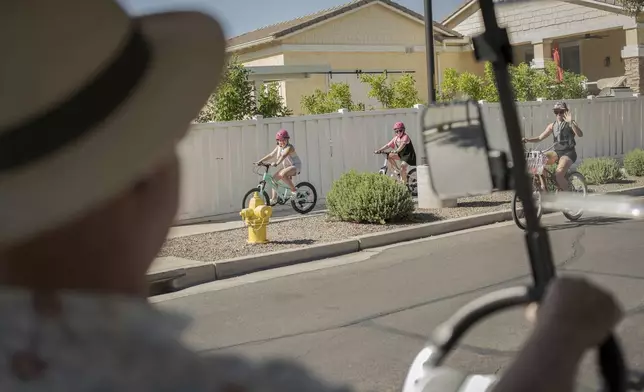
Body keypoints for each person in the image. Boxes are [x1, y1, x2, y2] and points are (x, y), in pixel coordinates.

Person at [0, 2, 623, 391]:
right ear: (143, 179)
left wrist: (390, 158)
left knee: (355, 176)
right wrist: (563, 334)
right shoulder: (179, 379)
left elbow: (393, 148)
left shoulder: (402, 137)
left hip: (382, 169)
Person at [523, 101, 583, 192]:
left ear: (566, 112)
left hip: (569, 153)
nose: (558, 114)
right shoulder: (552, 125)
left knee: (558, 175)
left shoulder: (571, 123)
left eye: (561, 111)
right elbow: (540, 137)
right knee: (538, 160)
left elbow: (580, 134)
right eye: (556, 112)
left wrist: (571, 122)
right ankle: (544, 189)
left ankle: (569, 195)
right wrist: (527, 140)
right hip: (557, 152)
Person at [255, 129, 302, 204]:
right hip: (286, 167)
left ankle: (294, 190)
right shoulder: (279, 147)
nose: (282, 142)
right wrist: (260, 161)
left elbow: (283, 156)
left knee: (282, 174)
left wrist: (276, 163)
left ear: (287, 139)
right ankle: (274, 199)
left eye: (284, 140)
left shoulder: (289, 147)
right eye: (280, 140)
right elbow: (271, 155)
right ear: (278, 141)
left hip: (295, 166)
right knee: (273, 180)